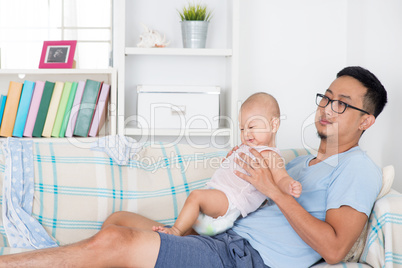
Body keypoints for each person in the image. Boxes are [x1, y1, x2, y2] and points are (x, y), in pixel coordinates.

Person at [0, 66, 387, 267]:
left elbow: (335, 249)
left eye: (342, 103)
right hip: (220, 240)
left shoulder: (358, 169)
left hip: (245, 260)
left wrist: (273, 190)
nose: (326, 108)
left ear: (365, 121)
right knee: (118, 220)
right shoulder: (302, 161)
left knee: (114, 242)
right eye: (326, 98)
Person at [153, 92, 302, 236]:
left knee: (196, 196)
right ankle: (176, 234)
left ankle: (175, 231)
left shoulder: (269, 155)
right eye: (242, 128)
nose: (246, 133)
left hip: (230, 200)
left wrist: (289, 185)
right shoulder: (246, 148)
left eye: (251, 127)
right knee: (194, 211)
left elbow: (280, 178)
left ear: (274, 124)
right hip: (217, 193)